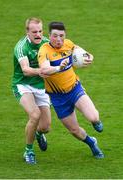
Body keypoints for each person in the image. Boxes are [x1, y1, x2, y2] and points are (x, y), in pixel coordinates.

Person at [38, 21, 104, 159]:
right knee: (74, 130)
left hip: (75, 89)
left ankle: (96, 122)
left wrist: (89, 56)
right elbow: (44, 69)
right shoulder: (44, 50)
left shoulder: (68, 44)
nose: (59, 40)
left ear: (65, 35)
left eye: (61, 36)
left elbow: (81, 51)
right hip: (58, 97)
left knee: (94, 117)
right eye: (55, 36)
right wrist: (58, 68)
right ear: (49, 36)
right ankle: (92, 143)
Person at [12, 17, 51, 164]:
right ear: (27, 32)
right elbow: (26, 70)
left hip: (41, 87)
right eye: (34, 31)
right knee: (35, 115)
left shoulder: (47, 43)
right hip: (23, 84)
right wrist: (42, 71)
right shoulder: (21, 47)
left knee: (46, 127)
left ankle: (38, 133)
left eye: (40, 31)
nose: (38, 34)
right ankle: (29, 151)